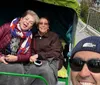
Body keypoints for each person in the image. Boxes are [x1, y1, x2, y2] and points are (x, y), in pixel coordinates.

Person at [0, 10, 39, 85]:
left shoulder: (29, 36)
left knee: (19, 69)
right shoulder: (7, 27)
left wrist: (16, 58)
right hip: (1, 58)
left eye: (31, 23)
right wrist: (0, 57)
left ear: (31, 27)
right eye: (26, 19)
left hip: (14, 61)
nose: (27, 22)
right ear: (21, 19)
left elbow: (27, 55)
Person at [25, 17, 63, 85]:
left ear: (48, 26)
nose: (43, 25)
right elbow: (30, 50)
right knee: (29, 69)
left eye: (45, 24)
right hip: (36, 60)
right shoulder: (33, 36)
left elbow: (56, 53)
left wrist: (38, 55)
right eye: (41, 23)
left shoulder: (54, 36)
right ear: (37, 26)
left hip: (52, 60)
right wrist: (31, 56)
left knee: (45, 71)